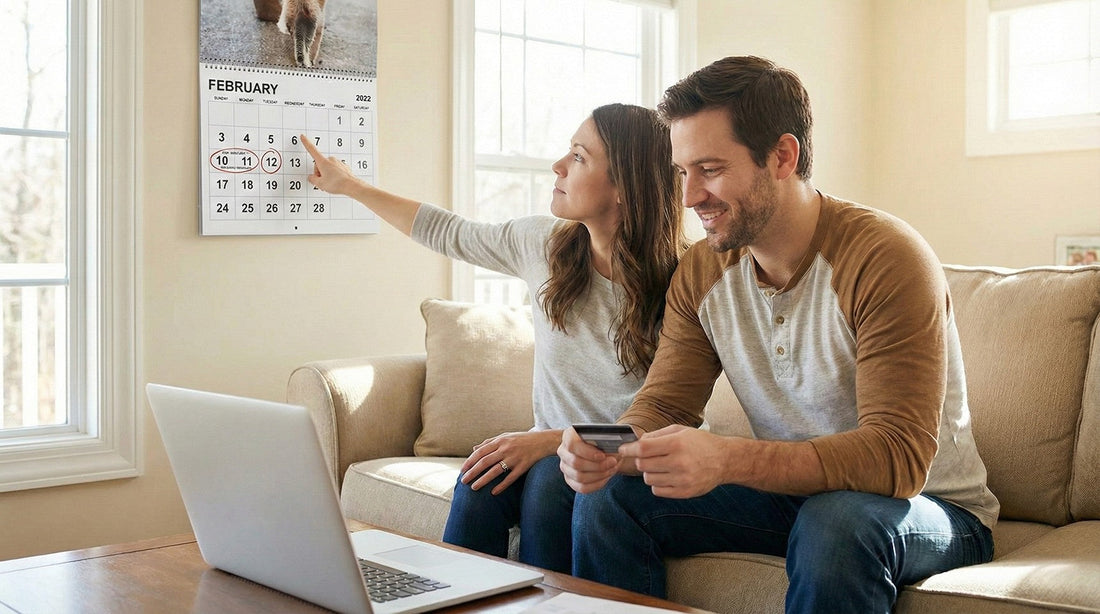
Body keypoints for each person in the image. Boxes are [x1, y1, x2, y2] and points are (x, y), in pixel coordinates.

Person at [556, 56, 1000, 613]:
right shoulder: (702, 272)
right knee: (610, 500)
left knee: (837, 521)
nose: (690, 197)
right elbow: (665, 403)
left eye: (711, 169)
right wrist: (605, 444)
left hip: (925, 507)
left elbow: (897, 457)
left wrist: (728, 460)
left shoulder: (886, 257)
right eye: (682, 172)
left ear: (782, 156)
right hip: (792, 497)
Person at [300, 103, 687, 573]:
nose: (558, 166)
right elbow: (448, 231)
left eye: (580, 158)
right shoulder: (543, 245)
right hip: (551, 450)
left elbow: (671, 420)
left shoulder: (682, 282)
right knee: (480, 480)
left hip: (627, 465)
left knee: (547, 479)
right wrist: (352, 187)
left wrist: (549, 442)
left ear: (626, 185)